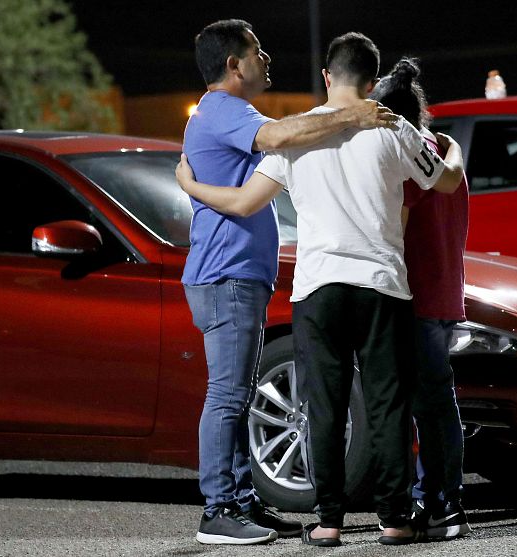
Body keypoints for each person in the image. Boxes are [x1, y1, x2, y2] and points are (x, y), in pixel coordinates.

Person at [176, 32, 465, 546]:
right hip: (382, 287)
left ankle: (329, 521)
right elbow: (441, 182)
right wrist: (456, 155)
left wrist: (191, 186)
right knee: (387, 405)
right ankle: (394, 518)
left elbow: (245, 201)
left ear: (327, 77)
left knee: (324, 407)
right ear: (372, 82)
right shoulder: (393, 127)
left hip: (316, 290)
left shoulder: (299, 135)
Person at [370, 57, 471, 539]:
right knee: (438, 399)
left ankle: (438, 504)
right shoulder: (444, 153)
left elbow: (396, 234)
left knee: (423, 405)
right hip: (445, 294)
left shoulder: (409, 161)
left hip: (414, 296)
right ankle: (444, 503)